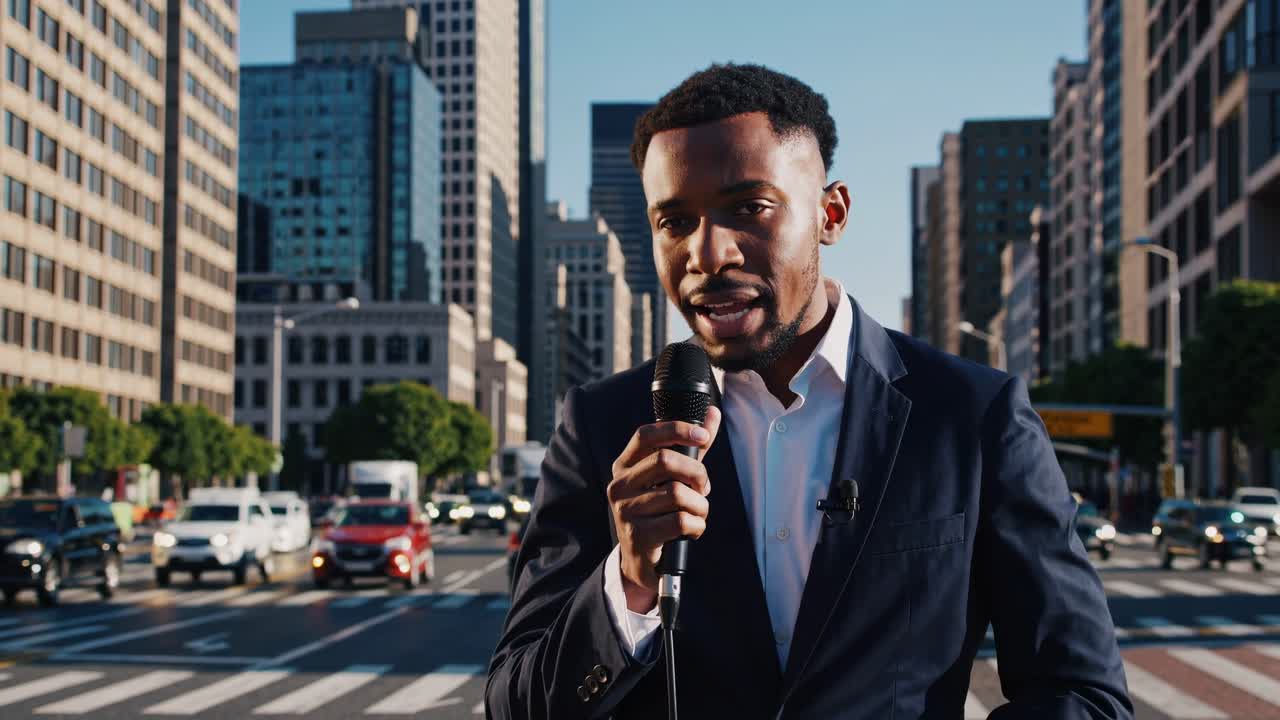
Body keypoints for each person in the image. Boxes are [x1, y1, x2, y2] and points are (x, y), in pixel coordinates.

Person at [487, 64, 1132, 719]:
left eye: (748, 207)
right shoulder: (600, 428)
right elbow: (515, 704)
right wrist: (627, 584)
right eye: (675, 221)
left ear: (831, 213)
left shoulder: (971, 416)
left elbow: (1082, 691)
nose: (709, 254)